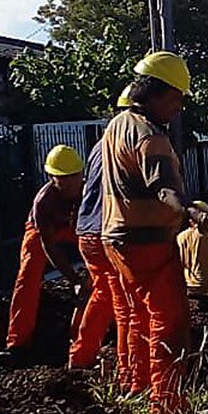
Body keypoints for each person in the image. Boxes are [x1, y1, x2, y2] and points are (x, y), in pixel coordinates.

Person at [99, 51, 208, 414]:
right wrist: (194, 212)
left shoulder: (116, 126)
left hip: (115, 238)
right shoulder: (151, 137)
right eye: (175, 98)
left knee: (138, 315)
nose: (178, 107)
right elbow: (164, 190)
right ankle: (168, 405)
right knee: (171, 321)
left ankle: (137, 385)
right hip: (146, 240)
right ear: (155, 92)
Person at [69, 88, 138, 386]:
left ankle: (79, 358)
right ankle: (129, 376)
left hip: (87, 233)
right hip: (105, 233)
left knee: (103, 296)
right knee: (125, 306)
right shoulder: (127, 143)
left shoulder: (100, 145)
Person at [0, 144, 88, 363]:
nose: (69, 183)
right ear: (51, 177)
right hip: (43, 231)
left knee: (105, 267)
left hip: (76, 226)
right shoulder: (43, 203)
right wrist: (74, 279)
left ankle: (103, 326)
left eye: (73, 176)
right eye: (62, 178)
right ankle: (17, 343)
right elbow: (50, 247)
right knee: (27, 277)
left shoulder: (89, 192)